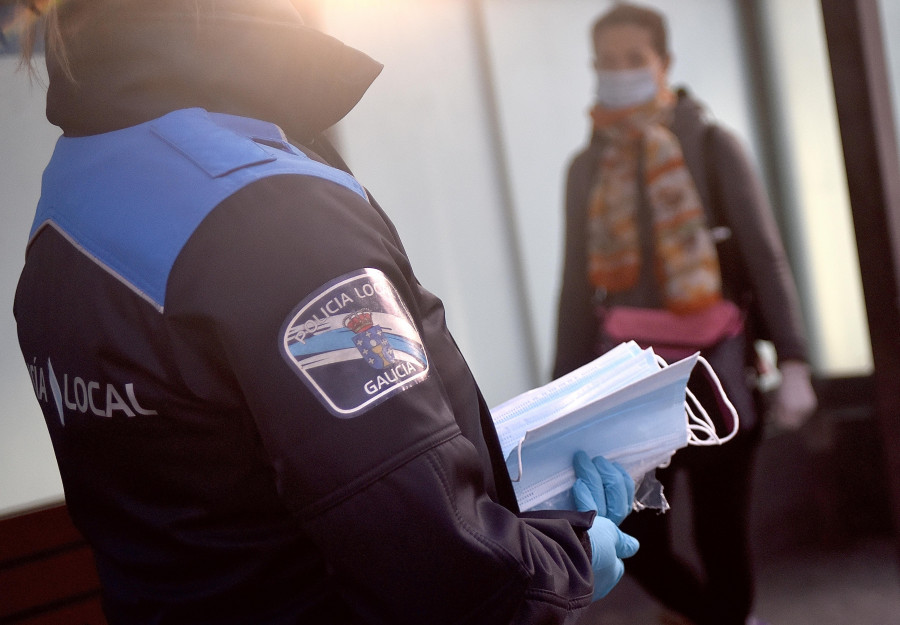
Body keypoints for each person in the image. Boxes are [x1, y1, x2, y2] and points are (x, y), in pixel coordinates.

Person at [12, 0, 643, 623]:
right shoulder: (269, 213)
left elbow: (215, 489)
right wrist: (574, 559)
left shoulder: (67, 202)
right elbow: (444, 575)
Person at [552, 4, 817, 625]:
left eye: (633, 60)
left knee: (721, 535)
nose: (618, 74)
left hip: (718, 372)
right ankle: (714, 618)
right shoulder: (587, 169)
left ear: (664, 63)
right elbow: (573, 289)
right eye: (605, 64)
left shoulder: (711, 144)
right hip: (627, 382)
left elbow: (764, 256)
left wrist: (796, 359)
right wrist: (561, 394)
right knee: (636, 538)